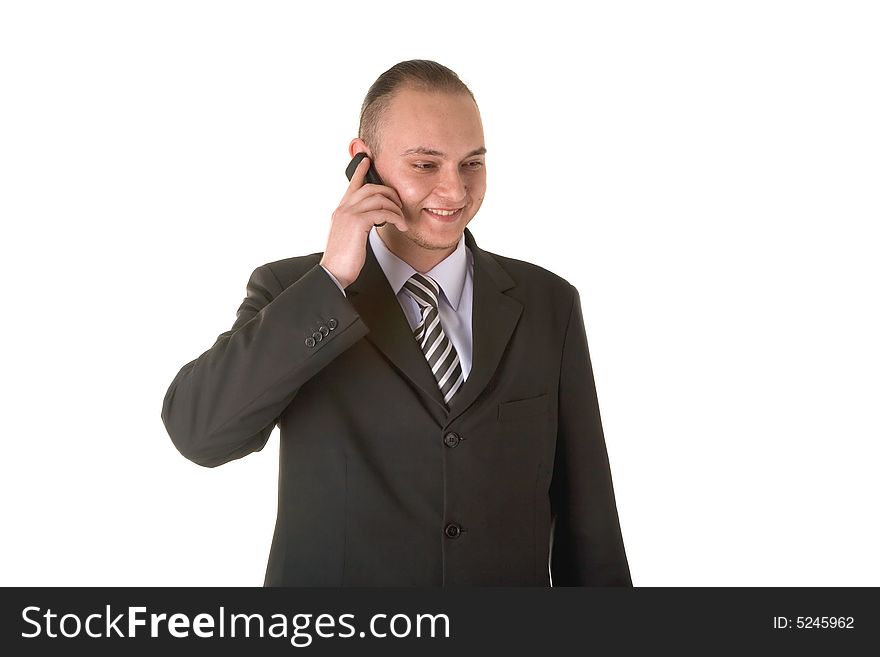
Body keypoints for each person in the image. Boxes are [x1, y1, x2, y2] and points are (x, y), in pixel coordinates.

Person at [161, 60, 632, 587]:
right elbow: (199, 435)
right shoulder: (293, 292)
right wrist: (332, 277)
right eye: (426, 166)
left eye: (471, 163)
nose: (454, 192)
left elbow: (588, 520)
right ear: (364, 163)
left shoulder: (550, 303)